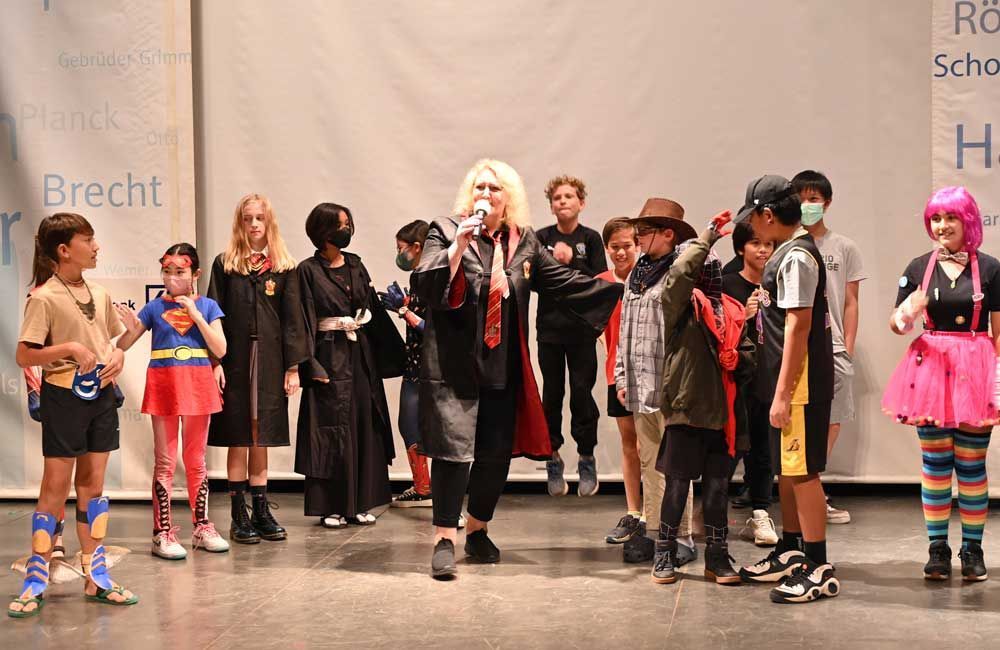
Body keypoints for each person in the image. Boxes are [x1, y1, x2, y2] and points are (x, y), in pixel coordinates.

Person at [411, 159, 621, 580]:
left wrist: (621, 288)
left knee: (493, 456)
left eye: (495, 189)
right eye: (480, 188)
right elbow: (424, 280)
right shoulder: (446, 229)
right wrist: (457, 247)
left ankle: (477, 529)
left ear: (510, 200)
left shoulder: (523, 243)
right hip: (454, 365)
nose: (485, 195)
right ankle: (443, 539)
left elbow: (563, 282)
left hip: (501, 364)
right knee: (453, 454)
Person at [9, 213, 138, 618]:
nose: (97, 246)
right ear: (64, 250)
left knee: (93, 488)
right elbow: (24, 354)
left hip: (100, 399)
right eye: (89, 239)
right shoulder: (44, 297)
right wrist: (66, 349)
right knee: (54, 489)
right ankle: (36, 576)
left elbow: (114, 342)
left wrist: (117, 354)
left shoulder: (99, 293)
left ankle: (95, 573)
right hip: (62, 399)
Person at [882, 186, 1000, 582]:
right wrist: (907, 312)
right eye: (935, 218)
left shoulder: (992, 268)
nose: (942, 226)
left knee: (971, 466)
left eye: (950, 218)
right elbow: (897, 326)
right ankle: (937, 548)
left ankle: (972, 548)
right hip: (930, 372)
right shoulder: (918, 267)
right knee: (935, 466)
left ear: (967, 221)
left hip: (975, 371)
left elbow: (998, 334)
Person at [734, 175, 839, 604]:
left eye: (754, 221)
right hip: (786, 381)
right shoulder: (787, 253)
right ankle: (792, 547)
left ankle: (818, 565)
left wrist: (782, 393)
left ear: (769, 215)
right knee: (787, 470)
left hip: (800, 385)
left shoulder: (797, 258)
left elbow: (799, 325)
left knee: (803, 471)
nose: (753, 231)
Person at [650, 210, 754, 586]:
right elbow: (677, 276)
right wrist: (707, 237)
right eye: (701, 264)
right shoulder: (680, 305)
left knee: (717, 489)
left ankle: (717, 557)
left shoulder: (734, 310)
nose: (708, 269)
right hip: (687, 410)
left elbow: (750, 356)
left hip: (725, 414)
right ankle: (663, 553)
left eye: (712, 265)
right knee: (677, 485)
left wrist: (738, 357)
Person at [115, 244, 230, 558]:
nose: (172, 278)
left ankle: (202, 526)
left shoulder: (207, 306)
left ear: (195, 274)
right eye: (167, 271)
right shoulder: (154, 308)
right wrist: (126, 329)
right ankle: (161, 533)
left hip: (199, 387)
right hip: (165, 387)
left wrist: (194, 314)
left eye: (180, 272)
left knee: (196, 461)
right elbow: (124, 343)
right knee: (165, 462)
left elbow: (220, 349)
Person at [296, 203, 405, 528]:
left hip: (360, 357)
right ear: (325, 230)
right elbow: (302, 319)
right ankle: (331, 505)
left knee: (363, 423)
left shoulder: (356, 265)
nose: (348, 230)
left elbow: (370, 308)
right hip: (328, 357)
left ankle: (360, 501)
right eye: (343, 225)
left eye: (350, 224)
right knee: (329, 430)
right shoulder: (308, 270)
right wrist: (308, 364)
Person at [207, 193, 307, 544]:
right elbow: (213, 315)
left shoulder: (283, 266)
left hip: (269, 360)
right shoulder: (226, 264)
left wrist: (292, 368)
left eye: (259, 218)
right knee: (237, 434)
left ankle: (261, 508)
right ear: (240, 223)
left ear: (269, 223)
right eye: (247, 218)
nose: (253, 225)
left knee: (260, 434)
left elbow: (293, 320)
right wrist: (215, 361)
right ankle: (238, 511)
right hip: (234, 359)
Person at [613, 198, 696, 566]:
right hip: (639, 383)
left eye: (645, 231)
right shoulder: (637, 273)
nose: (638, 237)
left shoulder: (682, 270)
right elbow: (626, 325)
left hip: (671, 385)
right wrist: (620, 373)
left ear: (668, 233)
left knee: (676, 465)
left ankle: (682, 537)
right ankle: (653, 532)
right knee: (650, 461)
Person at [793, 170, 866, 525]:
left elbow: (851, 300)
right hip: (796, 345)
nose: (808, 206)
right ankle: (803, 492)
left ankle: (814, 488)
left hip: (834, 346)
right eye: (802, 199)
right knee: (796, 419)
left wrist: (847, 346)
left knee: (832, 418)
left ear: (827, 203)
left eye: (814, 199)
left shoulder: (844, 246)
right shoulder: (787, 244)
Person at [536, 175, 608, 497]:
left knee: (582, 393)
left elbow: (598, 282)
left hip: (581, 331)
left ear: (581, 202)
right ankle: (553, 458)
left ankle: (586, 457)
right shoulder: (540, 238)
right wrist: (554, 263)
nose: (562, 201)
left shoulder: (590, 239)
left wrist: (569, 267)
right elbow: (533, 280)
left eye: (568, 196)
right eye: (557, 198)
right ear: (551, 206)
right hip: (549, 331)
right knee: (551, 395)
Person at [722, 222, 778, 547]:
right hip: (734, 379)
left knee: (762, 449)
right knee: (728, 448)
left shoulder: (779, 286)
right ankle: (712, 510)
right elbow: (716, 332)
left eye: (768, 245)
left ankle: (760, 513)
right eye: (755, 243)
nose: (762, 250)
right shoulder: (728, 284)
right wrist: (742, 316)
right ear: (742, 247)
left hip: (767, 378)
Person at [597, 218, 643, 544]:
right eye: (615, 246)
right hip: (618, 375)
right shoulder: (600, 283)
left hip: (650, 375)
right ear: (607, 249)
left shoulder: (649, 280)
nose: (621, 252)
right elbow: (598, 328)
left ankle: (659, 516)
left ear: (638, 246)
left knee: (652, 446)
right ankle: (634, 512)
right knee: (630, 444)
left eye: (627, 245)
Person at [383, 220, 434, 508]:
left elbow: (434, 328)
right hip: (414, 363)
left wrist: (404, 311)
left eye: (401, 249)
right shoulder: (418, 277)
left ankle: (433, 489)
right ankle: (421, 485)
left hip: (432, 366)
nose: (399, 254)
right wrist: (405, 302)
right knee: (408, 424)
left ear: (417, 247)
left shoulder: (434, 277)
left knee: (429, 428)